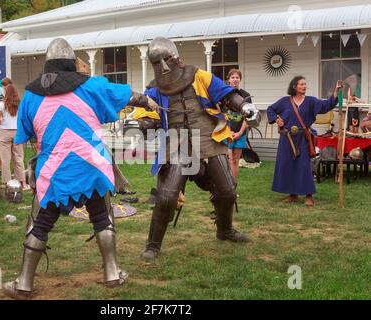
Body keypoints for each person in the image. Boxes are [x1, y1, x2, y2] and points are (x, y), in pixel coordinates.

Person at [2, 38, 158, 299]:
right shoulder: (92, 86)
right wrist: (148, 102)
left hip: (54, 171)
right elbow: (125, 95)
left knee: (39, 223)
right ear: (72, 62)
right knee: (101, 216)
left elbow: (26, 132)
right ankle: (112, 273)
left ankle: (24, 284)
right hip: (91, 166)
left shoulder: (30, 94)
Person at [140, 37, 261, 260]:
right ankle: (153, 244)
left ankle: (224, 230)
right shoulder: (153, 89)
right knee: (166, 197)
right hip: (176, 141)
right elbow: (145, 114)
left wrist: (245, 106)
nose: (164, 66)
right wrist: (145, 123)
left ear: (176, 57)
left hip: (208, 135)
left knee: (227, 190)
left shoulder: (198, 75)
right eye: (158, 63)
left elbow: (225, 94)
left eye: (166, 59)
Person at [267, 76, 340, 206]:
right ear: (294, 86)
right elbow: (270, 109)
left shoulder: (311, 101)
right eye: (301, 84)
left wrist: (335, 93)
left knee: (304, 166)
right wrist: (276, 119)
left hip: (303, 138)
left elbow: (325, 106)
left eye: (305, 84)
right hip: (287, 139)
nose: (304, 86)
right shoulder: (285, 101)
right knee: (288, 165)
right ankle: (292, 194)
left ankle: (308, 195)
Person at [0, 83, 28, 189]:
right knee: (18, 158)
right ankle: (23, 182)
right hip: (17, 132)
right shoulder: (20, 104)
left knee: (5, 160)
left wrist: (2, 120)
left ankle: (8, 183)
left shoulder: (1, 104)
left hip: (5, 132)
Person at [225, 69, 252, 181]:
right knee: (228, 159)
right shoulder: (224, 94)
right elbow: (219, 114)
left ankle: (233, 186)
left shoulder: (246, 96)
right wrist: (227, 131)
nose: (235, 79)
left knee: (235, 160)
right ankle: (227, 187)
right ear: (229, 79)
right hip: (226, 133)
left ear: (240, 79)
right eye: (233, 77)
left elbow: (249, 116)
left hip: (240, 133)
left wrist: (240, 132)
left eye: (237, 77)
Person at [0, 77, 13, 178]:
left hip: (11, 127)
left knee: (13, 151)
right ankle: (2, 170)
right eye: (3, 85)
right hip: (1, 128)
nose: (4, 87)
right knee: (1, 151)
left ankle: (10, 170)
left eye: (6, 85)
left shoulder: (15, 98)